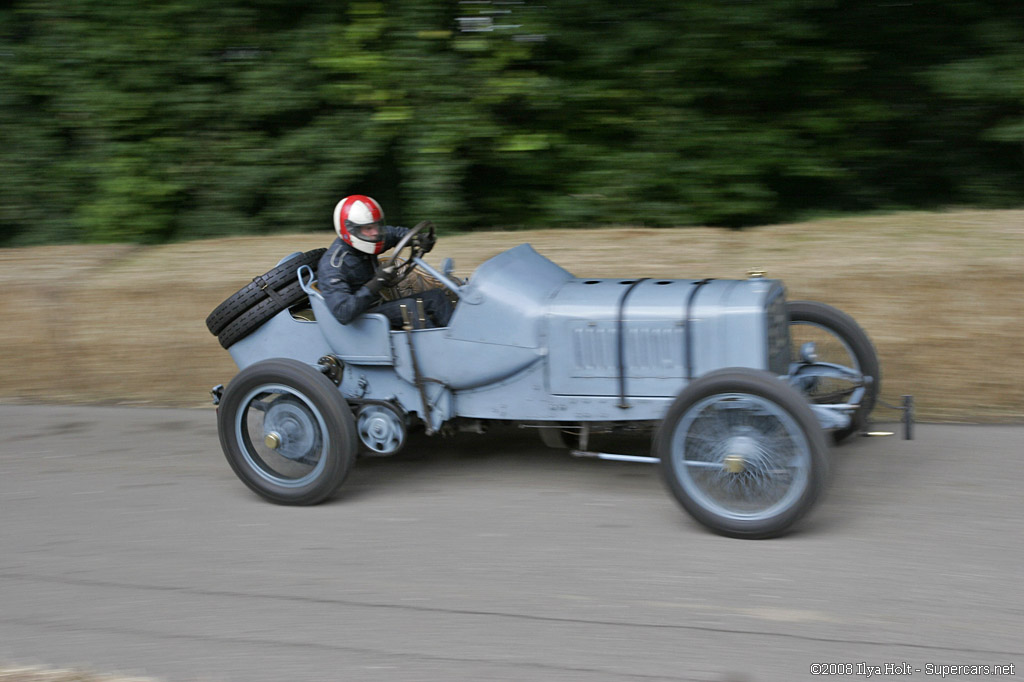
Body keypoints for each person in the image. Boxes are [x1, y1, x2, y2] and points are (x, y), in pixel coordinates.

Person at [317, 195, 454, 329]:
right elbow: (343, 313)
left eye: (376, 226)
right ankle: (435, 349)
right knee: (409, 307)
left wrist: (418, 238)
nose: (375, 232)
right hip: (361, 318)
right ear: (350, 229)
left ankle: (461, 337)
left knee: (437, 296)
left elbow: (393, 233)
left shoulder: (368, 239)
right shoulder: (333, 265)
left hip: (380, 304)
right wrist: (376, 282)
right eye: (368, 228)